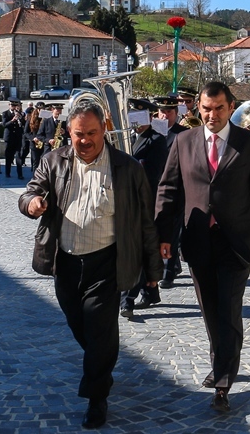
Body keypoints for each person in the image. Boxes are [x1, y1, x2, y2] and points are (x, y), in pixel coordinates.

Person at [18, 98, 162, 429]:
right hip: (65, 262)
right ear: (69, 131)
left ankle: (97, 398)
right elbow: (29, 192)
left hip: (106, 263)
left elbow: (145, 223)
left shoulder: (128, 169)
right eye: (78, 134)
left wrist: (153, 272)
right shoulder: (53, 161)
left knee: (99, 330)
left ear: (105, 130)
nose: (85, 141)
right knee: (80, 326)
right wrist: (33, 204)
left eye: (92, 133)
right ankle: (102, 364)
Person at [155, 81, 250, 412]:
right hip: (198, 241)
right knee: (210, 310)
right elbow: (168, 190)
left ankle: (224, 380)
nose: (212, 115)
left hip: (236, 242)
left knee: (228, 310)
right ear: (198, 107)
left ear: (230, 107)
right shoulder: (183, 141)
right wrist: (163, 236)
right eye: (206, 109)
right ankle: (221, 362)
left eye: (219, 108)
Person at [120, 98, 167, 318]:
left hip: (145, 201)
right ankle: (151, 291)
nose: (136, 122)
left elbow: (154, 174)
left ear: (150, 116)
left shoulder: (157, 139)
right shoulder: (125, 137)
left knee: (136, 250)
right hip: (125, 200)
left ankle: (127, 300)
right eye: (133, 117)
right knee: (143, 249)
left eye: (140, 117)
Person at [153, 94, 189, 289]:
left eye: (169, 112)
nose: (165, 115)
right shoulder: (151, 133)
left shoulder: (183, 134)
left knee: (173, 230)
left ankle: (167, 273)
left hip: (176, 187)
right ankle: (166, 266)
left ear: (176, 113)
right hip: (154, 187)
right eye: (162, 111)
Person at [2, 98, 26, 179]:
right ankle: (7, 173)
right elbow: (4, 125)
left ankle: (20, 174)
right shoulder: (5, 113)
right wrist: (12, 120)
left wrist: (21, 118)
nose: (14, 107)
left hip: (18, 137)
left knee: (19, 156)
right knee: (9, 156)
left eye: (15, 105)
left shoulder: (20, 113)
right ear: (9, 105)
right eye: (12, 105)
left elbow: (24, 124)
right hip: (9, 138)